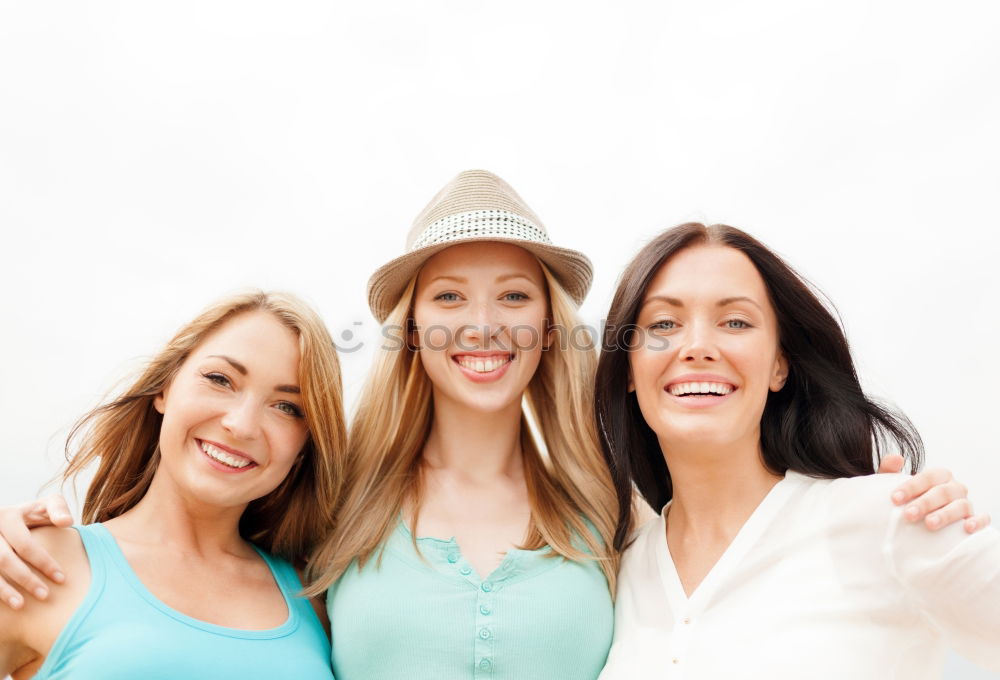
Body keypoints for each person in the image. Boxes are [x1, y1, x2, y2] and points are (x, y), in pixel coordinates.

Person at [0, 177, 986, 679]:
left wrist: (890, 501)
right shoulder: (336, 507)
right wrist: (50, 547)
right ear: (411, 327)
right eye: (450, 296)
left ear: (551, 327)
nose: (483, 322)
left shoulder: (613, 512)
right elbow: (199, 561)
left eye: (515, 294)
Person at [594, 223, 1000, 678]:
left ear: (779, 366)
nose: (698, 347)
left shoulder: (892, 518)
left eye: (735, 322)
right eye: (663, 324)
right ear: (628, 368)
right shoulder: (617, 570)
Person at [0, 291, 343, 679]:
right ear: (165, 387)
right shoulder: (34, 563)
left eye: (287, 408)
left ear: (303, 448)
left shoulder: (317, 598)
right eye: (220, 379)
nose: (241, 425)